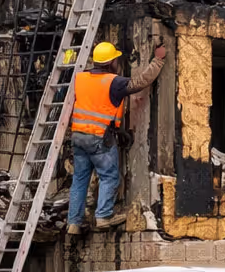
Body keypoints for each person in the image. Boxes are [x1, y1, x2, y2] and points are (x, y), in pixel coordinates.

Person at [67, 40, 166, 234]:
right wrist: (158, 61)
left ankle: (74, 223)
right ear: (110, 62)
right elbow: (141, 81)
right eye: (115, 60)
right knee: (110, 176)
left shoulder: (80, 78)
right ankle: (103, 216)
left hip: (78, 137)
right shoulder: (113, 82)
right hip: (98, 138)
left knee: (79, 179)